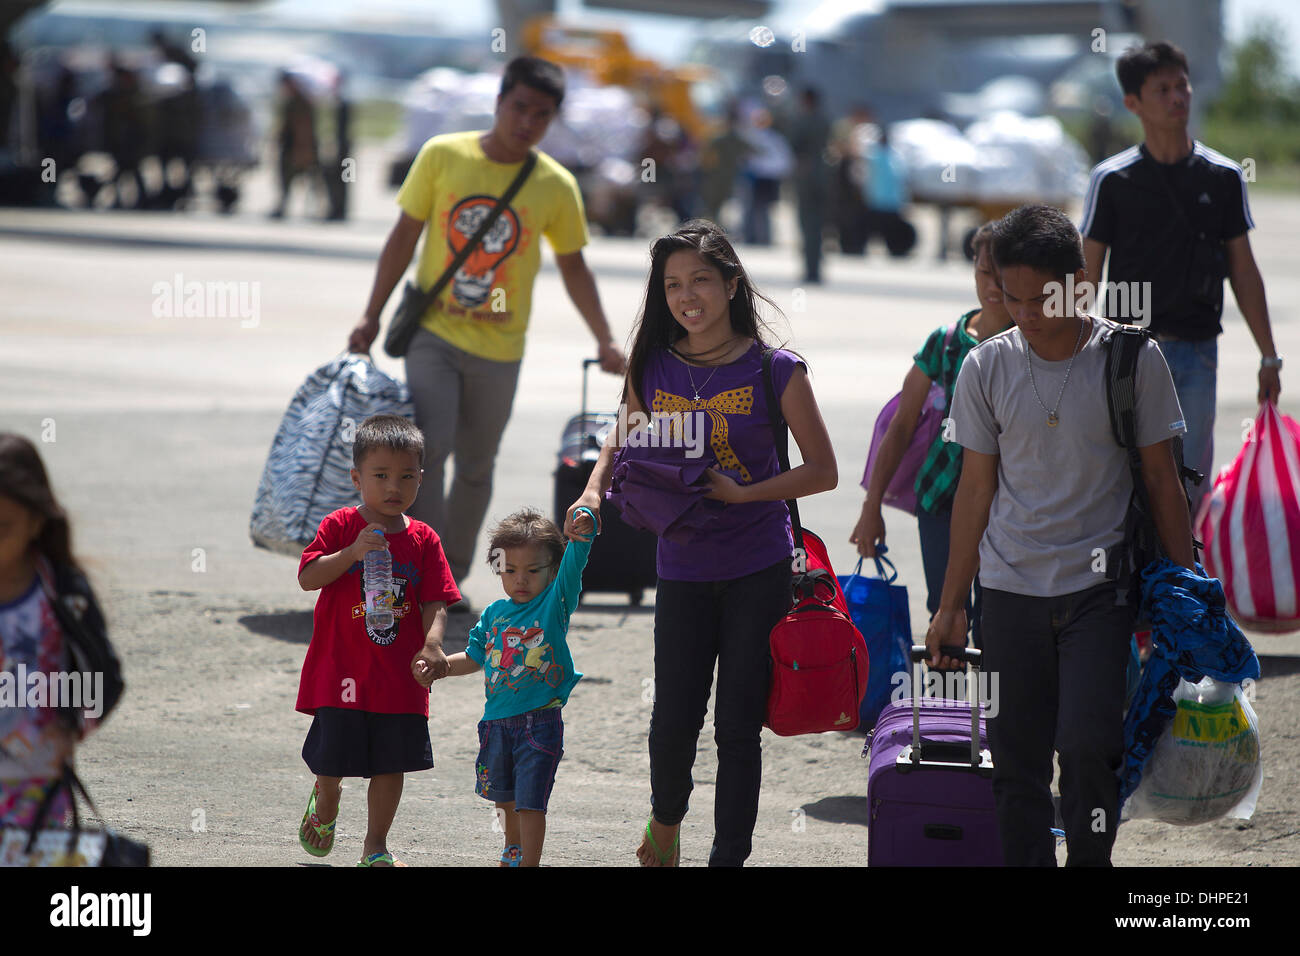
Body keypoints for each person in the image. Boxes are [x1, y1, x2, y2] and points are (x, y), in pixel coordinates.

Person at [563, 219, 838, 866]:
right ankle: (666, 823)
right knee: (672, 720)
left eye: (701, 281)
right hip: (681, 564)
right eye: (672, 285)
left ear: (733, 284)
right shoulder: (654, 363)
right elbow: (622, 433)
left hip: (758, 566)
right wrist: (593, 491)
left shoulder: (777, 369)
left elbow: (823, 471)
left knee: (738, 727)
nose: (687, 296)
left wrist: (744, 494)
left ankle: (729, 856)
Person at [928, 203, 1195, 866]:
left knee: (1085, 747)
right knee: (1015, 761)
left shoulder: (1134, 358)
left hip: (1100, 592)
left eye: (1040, 297)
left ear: (1080, 282)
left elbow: (1164, 483)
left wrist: (1189, 598)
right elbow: (975, 490)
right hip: (1009, 590)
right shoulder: (984, 367)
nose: (1025, 313)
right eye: (1010, 297)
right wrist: (953, 603)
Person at [346, 56, 624, 607]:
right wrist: (371, 312)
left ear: (552, 121)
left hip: (501, 348)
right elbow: (403, 237)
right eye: (519, 107)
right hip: (434, 334)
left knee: (476, 466)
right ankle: (415, 574)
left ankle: (449, 579)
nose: (527, 121)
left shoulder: (555, 184)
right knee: (431, 450)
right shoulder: (443, 155)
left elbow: (574, 266)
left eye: (541, 114)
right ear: (499, 102)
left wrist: (604, 338)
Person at [1081, 40, 1281, 515]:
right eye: (1163, 89)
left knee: (1188, 485)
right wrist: (1066, 354)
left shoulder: (1223, 176)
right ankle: (1126, 588)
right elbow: (1087, 273)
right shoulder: (1112, 180)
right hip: (1125, 350)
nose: (1178, 97)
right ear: (1133, 103)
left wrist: (1269, 355)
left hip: (1196, 353)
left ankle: (1180, 587)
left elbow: (1243, 271)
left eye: (1182, 85)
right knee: (1123, 482)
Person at [295, 415, 461, 867]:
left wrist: (432, 645)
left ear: (421, 479)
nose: (394, 486)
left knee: (392, 762)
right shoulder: (341, 525)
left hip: (397, 676)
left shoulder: (424, 539)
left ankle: (375, 847)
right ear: (357, 478)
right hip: (342, 671)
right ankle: (327, 797)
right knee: (333, 758)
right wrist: (350, 553)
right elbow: (308, 577)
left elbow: (436, 600)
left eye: (407, 476)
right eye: (381, 475)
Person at [850, 222, 1010, 648]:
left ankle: (1001, 715)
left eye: (1003, 274)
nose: (992, 285)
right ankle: (947, 714)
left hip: (1010, 505)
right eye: (983, 273)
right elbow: (900, 426)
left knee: (1001, 616)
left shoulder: (1032, 343)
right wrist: (871, 507)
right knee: (945, 612)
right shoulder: (944, 343)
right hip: (940, 500)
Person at [425, 505, 596, 867]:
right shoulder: (493, 614)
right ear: (498, 567)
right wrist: (440, 667)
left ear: (552, 572)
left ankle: (529, 861)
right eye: (511, 570)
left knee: (530, 801)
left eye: (534, 571)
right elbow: (474, 657)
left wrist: (584, 531)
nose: (521, 579)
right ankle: (512, 848)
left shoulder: (555, 603)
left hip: (540, 724)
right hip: (496, 724)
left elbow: (575, 561)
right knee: (503, 797)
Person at [0, 434, 111, 836]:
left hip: (33, 785)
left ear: (36, 521)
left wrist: (70, 725)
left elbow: (101, 672)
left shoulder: (62, 593)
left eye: (3, 528)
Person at [786, 87, 832, 283]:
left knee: (807, 224)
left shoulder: (802, 120)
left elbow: (794, 145)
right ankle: (817, 268)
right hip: (823, 174)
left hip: (806, 176)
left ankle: (810, 269)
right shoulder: (825, 120)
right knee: (819, 225)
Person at [269, 71, 320, 220]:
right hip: (292, 146)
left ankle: (312, 209)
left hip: (298, 147)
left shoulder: (300, 102)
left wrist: (303, 149)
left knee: (306, 180)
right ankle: (285, 206)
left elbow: (303, 128)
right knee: (286, 180)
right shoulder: (292, 101)